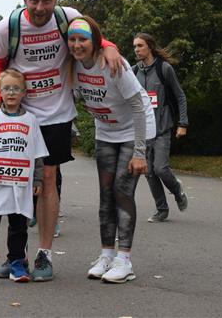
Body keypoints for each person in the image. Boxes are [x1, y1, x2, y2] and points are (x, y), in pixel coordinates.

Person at [0, 0, 124, 282]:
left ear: (56, 0)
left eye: (47, 1)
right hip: (21, 115)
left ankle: (44, 254)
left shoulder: (67, 18)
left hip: (56, 115)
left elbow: (92, 38)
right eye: (34, 0)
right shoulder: (8, 27)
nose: (40, 7)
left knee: (47, 179)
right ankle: (17, 255)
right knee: (16, 181)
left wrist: (110, 46)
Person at [68, 16, 155, 283]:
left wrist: (139, 152)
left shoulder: (114, 64)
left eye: (83, 39)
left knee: (121, 191)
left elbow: (138, 107)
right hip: (106, 131)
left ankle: (124, 260)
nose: (77, 45)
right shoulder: (72, 65)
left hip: (135, 129)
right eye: (72, 39)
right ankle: (106, 255)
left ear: (95, 41)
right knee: (105, 194)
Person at [0, 69, 49, 285]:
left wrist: (38, 180)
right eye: (6, 88)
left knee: (19, 226)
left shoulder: (31, 120)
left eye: (16, 88)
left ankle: (16, 263)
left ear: (24, 92)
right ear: (0, 92)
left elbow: (38, 154)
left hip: (21, 185)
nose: (11, 93)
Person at [132, 32, 189, 223]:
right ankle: (162, 210)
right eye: (135, 46)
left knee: (161, 168)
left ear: (150, 46)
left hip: (162, 128)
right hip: (143, 131)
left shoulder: (164, 69)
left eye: (140, 45)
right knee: (148, 172)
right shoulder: (134, 72)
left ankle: (177, 190)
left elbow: (180, 96)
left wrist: (183, 123)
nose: (136, 50)